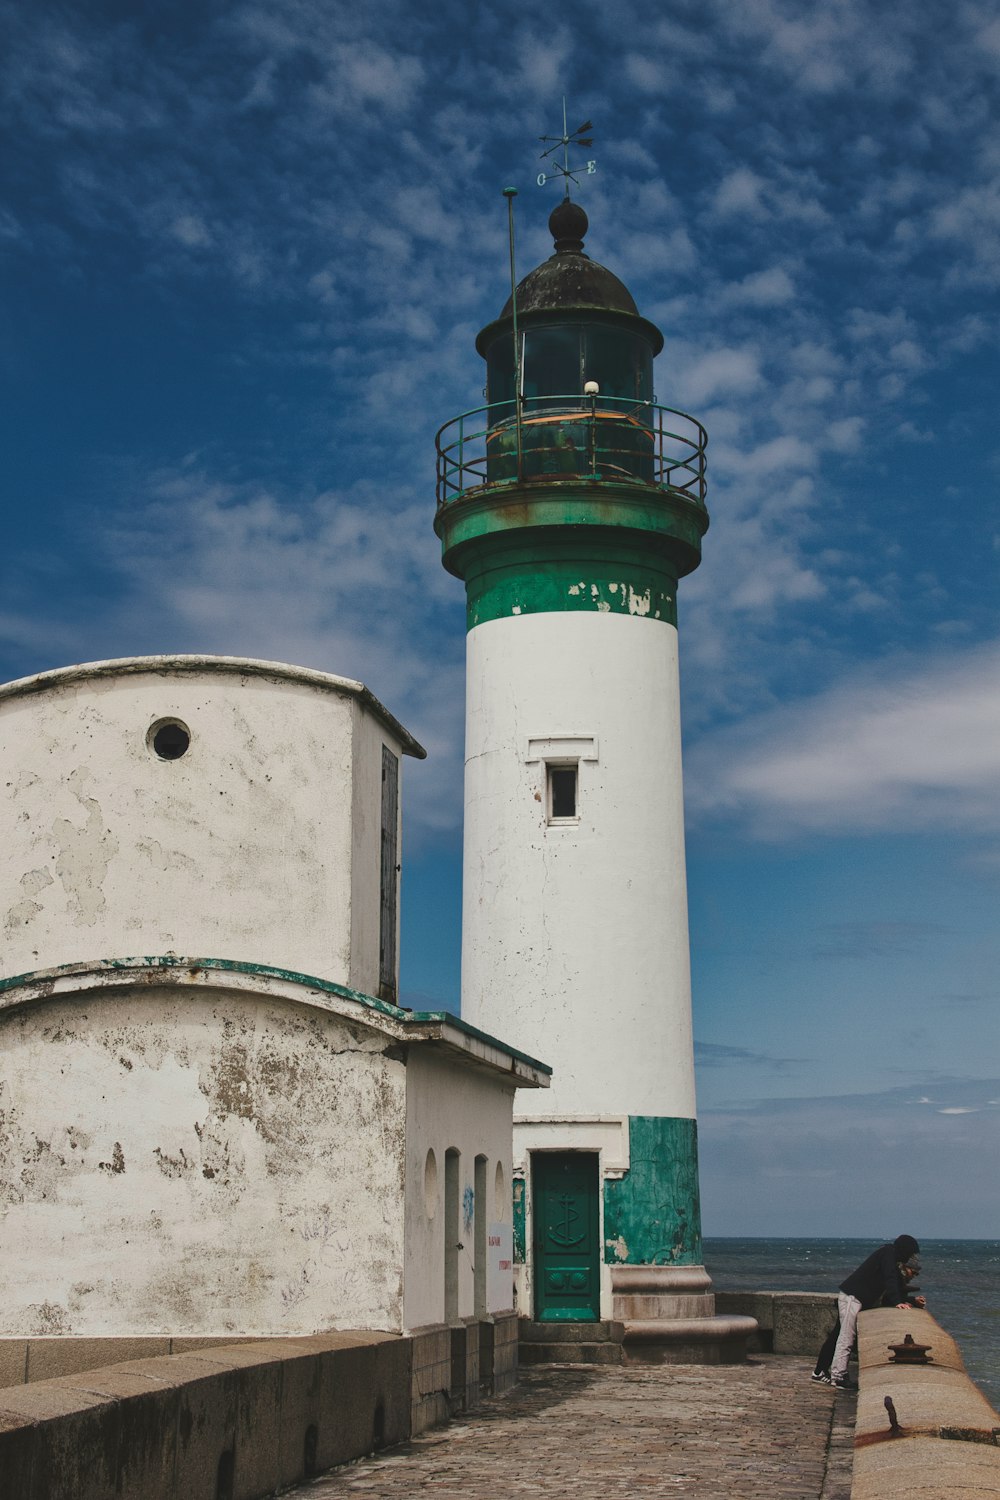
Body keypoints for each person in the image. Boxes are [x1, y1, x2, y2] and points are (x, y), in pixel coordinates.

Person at [824, 1235, 920, 1389]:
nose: (909, 1257)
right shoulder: (889, 1254)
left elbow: (893, 1283)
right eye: (910, 1253)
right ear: (904, 1250)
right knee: (846, 1337)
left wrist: (908, 1300)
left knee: (847, 1337)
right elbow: (890, 1279)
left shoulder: (889, 1254)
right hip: (852, 1297)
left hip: (855, 1298)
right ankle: (838, 1376)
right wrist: (898, 1302)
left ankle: (839, 1373)